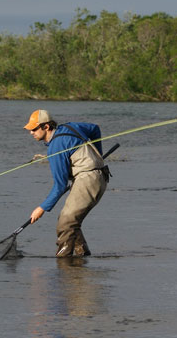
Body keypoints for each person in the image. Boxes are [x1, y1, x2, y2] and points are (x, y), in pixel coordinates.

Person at [24, 109, 109, 257]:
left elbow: (60, 185)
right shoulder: (70, 126)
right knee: (68, 221)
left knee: (66, 223)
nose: (31, 132)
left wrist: (41, 208)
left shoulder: (55, 147)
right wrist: (99, 156)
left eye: (34, 129)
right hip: (100, 176)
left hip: (88, 180)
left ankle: (64, 260)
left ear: (46, 127)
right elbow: (95, 129)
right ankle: (81, 256)